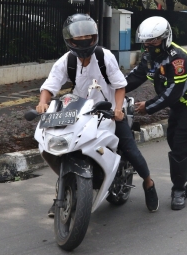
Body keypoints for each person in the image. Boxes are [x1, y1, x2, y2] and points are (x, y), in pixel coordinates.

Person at [36, 14, 159, 215]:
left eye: (88, 37)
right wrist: (43, 102)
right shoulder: (66, 61)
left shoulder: (104, 57)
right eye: (79, 38)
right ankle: (65, 189)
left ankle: (148, 183)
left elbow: (120, 86)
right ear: (70, 40)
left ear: (94, 37)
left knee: (130, 149)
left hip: (107, 112)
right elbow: (50, 86)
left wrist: (118, 109)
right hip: (78, 113)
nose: (84, 41)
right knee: (58, 147)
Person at [126, 16, 187, 210]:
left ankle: (178, 190)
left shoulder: (177, 58)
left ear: (165, 38)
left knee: (180, 147)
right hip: (180, 106)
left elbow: (174, 92)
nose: (149, 45)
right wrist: (112, 89)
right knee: (175, 142)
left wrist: (148, 106)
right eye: (146, 41)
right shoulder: (149, 57)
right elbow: (135, 77)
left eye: (154, 40)